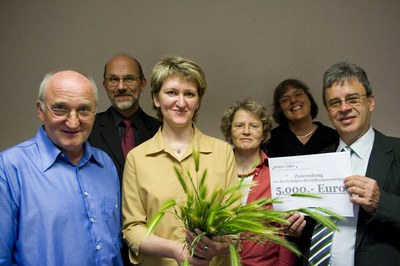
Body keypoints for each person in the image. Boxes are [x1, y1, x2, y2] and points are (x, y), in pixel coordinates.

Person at [122, 56, 238, 266]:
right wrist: (175, 250)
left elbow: (235, 224)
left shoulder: (223, 153)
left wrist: (217, 248)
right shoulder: (137, 159)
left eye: (189, 94)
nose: (181, 102)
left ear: (198, 101)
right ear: (156, 99)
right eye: (172, 92)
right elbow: (132, 229)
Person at [0, 70, 123, 265]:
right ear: (40, 110)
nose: (73, 122)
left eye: (83, 110)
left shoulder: (105, 164)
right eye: (60, 109)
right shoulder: (9, 168)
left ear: (94, 112)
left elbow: (115, 243)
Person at [303, 62, 400, 265]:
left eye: (353, 99)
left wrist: (381, 202)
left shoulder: (396, 151)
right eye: (335, 103)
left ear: (371, 102)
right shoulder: (318, 159)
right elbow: (314, 225)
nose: (344, 108)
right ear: (329, 111)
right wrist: (298, 226)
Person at [220, 98, 306, 266]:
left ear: (264, 132)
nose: (246, 131)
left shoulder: (279, 175)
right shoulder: (215, 171)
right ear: (229, 131)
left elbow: (285, 239)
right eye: (239, 125)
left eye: (254, 126)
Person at [88, 53, 161, 180]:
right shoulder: (88, 128)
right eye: (113, 80)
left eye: (129, 79)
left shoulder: (160, 130)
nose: (121, 87)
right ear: (105, 85)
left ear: (142, 84)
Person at [262, 79, 338, 157]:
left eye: (298, 94)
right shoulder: (271, 140)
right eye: (285, 99)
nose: (293, 100)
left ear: (310, 100)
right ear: (280, 109)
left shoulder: (333, 137)